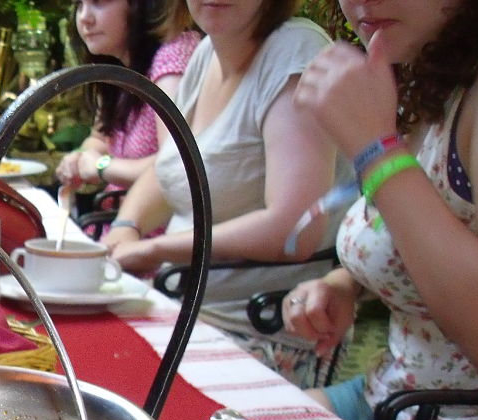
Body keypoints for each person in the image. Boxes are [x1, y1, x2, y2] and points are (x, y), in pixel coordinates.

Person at [283, 0, 478, 420]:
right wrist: (346, 282)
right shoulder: (429, 64)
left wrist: (374, 150)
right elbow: (435, 224)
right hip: (391, 405)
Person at [102, 0, 345, 388]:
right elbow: (169, 170)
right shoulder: (204, 55)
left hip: (254, 330)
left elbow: (294, 228)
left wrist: (155, 250)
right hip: (178, 308)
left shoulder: (295, 53)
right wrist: (125, 227)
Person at [55, 0, 200, 193]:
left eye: (99, 2)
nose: (84, 18)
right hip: (122, 217)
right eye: (79, 4)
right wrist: (80, 157)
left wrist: (102, 166)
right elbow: (99, 139)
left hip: (161, 223)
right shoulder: (118, 65)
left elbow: (179, 165)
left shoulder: (172, 55)